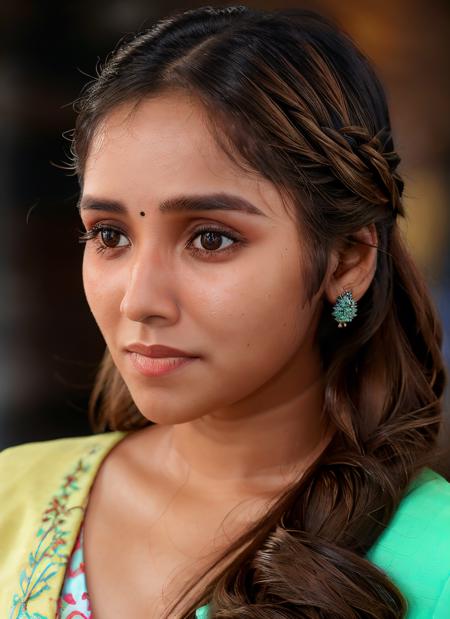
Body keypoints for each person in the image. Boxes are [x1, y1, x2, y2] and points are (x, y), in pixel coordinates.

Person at [1, 5, 449, 619]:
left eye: (210, 238)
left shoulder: (433, 557)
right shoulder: (14, 500)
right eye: (108, 235)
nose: (139, 300)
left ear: (345, 261)